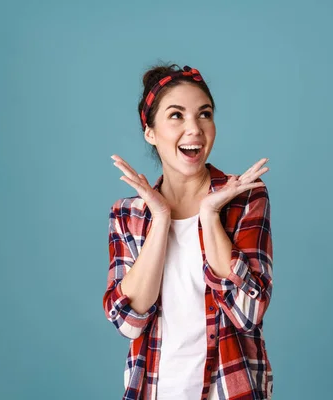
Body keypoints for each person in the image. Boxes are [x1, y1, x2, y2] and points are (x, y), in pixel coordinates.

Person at [102, 63, 274, 400]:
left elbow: (248, 313)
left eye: (204, 114)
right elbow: (128, 322)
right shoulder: (128, 214)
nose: (194, 128)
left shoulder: (245, 197)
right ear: (150, 131)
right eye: (176, 115)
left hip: (230, 389)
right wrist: (161, 219)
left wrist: (210, 215)